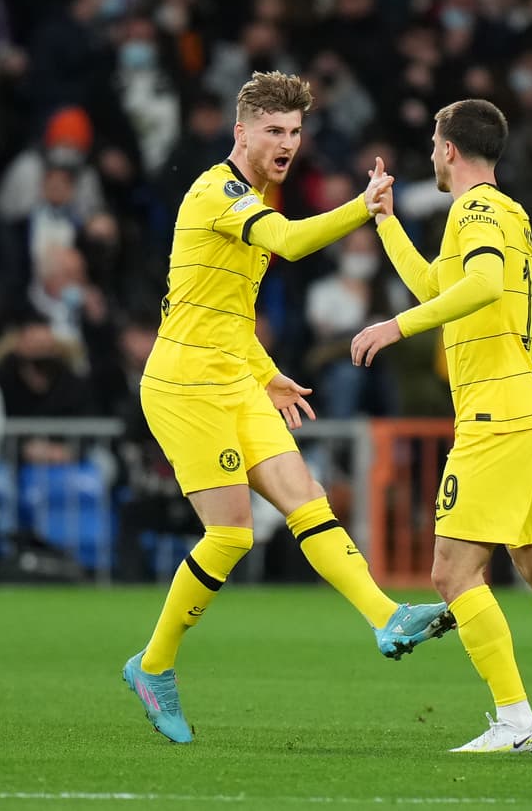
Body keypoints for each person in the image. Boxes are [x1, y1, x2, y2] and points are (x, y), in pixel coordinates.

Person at [122, 71, 454, 745]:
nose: (287, 144)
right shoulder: (218, 192)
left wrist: (268, 374)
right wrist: (365, 207)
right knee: (233, 534)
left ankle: (385, 616)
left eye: (296, 132)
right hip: (184, 384)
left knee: (309, 500)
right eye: (274, 131)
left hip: (234, 377)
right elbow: (295, 243)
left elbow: (226, 311)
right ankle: (151, 665)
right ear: (240, 131)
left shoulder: (254, 194)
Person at [350, 98, 532, 754]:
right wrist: (385, 222)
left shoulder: (472, 210)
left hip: (497, 411)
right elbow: (438, 287)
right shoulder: (505, 212)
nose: (430, 154)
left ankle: (514, 719)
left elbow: (482, 284)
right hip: (527, 407)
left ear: (448, 149)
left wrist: (393, 327)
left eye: (433, 143)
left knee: (450, 573)